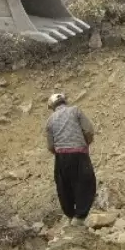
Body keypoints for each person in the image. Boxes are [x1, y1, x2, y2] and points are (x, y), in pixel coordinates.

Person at [44, 93, 97, 226]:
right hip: (79, 153)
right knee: (85, 183)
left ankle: (70, 214)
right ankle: (80, 217)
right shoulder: (75, 110)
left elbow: (50, 146)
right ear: (64, 101)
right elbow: (89, 130)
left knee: (64, 186)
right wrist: (85, 144)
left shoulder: (50, 121)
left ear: (52, 106)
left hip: (61, 158)